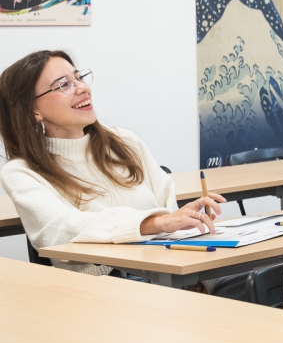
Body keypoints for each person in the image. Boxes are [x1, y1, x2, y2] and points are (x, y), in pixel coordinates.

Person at [0, 50, 226, 276]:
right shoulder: (21, 173)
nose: (82, 88)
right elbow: (60, 231)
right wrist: (154, 223)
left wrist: (197, 276)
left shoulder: (125, 142)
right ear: (34, 110)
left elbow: (170, 213)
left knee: (249, 281)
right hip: (107, 291)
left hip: (172, 272)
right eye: (63, 85)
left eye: (78, 77)